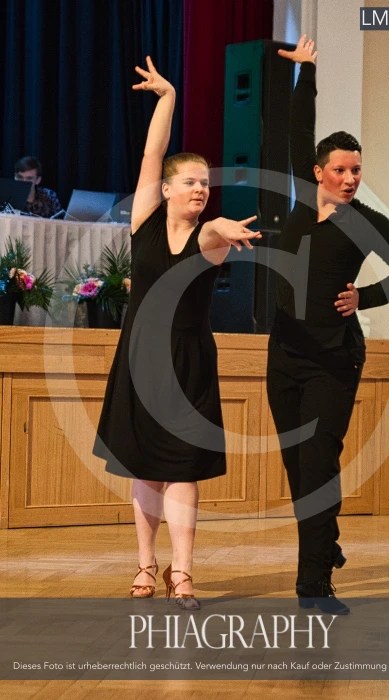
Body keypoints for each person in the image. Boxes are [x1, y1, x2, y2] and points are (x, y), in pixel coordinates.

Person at [93, 56, 261, 609]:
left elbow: (213, 232)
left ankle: (182, 572)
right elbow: (152, 155)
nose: (200, 190)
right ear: (165, 189)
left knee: (183, 470)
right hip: (140, 357)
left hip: (188, 362)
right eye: (189, 182)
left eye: (205, 184)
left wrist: (223, 226)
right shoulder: (143, 220)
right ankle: (146, 564)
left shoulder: (208, 238)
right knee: (145, 468)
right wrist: (167, 98)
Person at [266, 37, 389, 615]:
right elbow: (296, 131)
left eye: (357, 169)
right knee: (296, 465)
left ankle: (313, 585)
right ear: (319, 172)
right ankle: (325, 542)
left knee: (317, 465)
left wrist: (365, 296)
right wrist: (306, 72)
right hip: (284, 354)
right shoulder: (302, 201)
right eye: (341, 169)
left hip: (334, 358)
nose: (351, 177)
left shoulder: (366, 221)